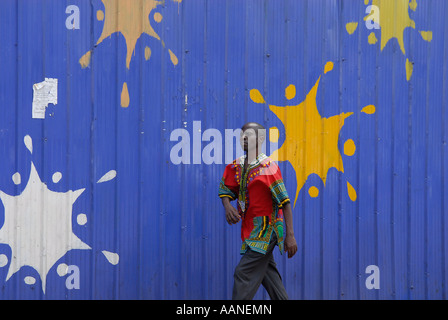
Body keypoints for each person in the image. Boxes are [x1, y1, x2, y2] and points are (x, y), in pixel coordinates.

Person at [218, 122, 297, 300]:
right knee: (271, 280)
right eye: (242, 135)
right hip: (251, 231)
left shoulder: (269, 167)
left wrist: (290, 235)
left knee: (243, 273)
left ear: (260, 139)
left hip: (266, 230)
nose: (244, 138)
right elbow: (226, 189)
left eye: (249, 135)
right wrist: (227, 205)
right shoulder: (237, 166)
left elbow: (285, 202)